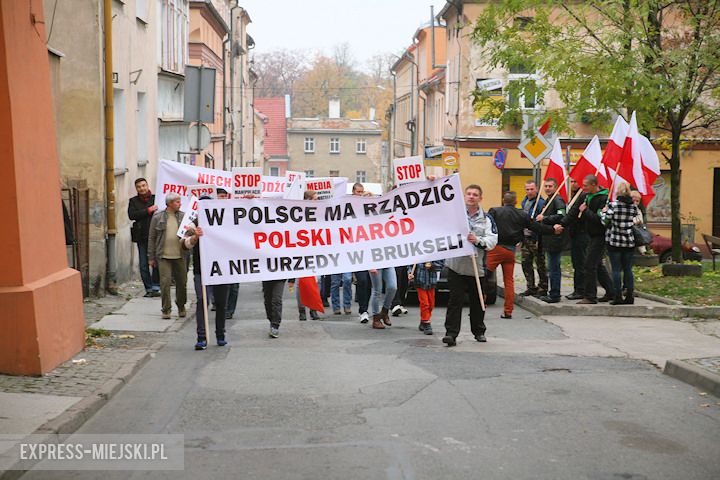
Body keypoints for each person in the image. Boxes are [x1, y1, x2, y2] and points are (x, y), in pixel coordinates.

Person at [442, 184, 498, 347]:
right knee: (455, 301)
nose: (471, 196)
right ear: (464, 196)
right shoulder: (455, 216)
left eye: (475, 194)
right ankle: (451, 334)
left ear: (480, 198)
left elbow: (492, 241)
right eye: (468, 194)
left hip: (477, 269)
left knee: (477, 301)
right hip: (456, 266)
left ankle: (479, 331)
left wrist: (477, 241)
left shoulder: (487, 219)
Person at [488, 191, 556, 318]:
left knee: (484, 277)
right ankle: (508, 311)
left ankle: (481, 305)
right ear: (516, 201)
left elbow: (487, 225)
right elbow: (536, 227)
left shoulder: (494, 211)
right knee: (509, 281)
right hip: (510, 251)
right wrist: (553, 230)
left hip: (495, 249)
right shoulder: (522, 214)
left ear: (503, 200)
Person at [555, 174, 613, 304]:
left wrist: (586, 211)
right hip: (591, 234)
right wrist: (562, 224)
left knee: (589, 265)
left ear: (594, 185)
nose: (583, 188)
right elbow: (574, 212)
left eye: (586, 186)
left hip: (600, 235)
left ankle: (590, 296)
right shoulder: (585, 196)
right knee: (597, 265)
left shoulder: (603, 198)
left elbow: (600, 219)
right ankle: (611, 291)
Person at [182, 215, 229, 349]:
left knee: (221, 303)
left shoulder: (226, 221)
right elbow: (184, 244)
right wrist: (195, 237)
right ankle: (201, 337)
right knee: (202, 301)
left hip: (222, 270)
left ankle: (221, 335)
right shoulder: (193, 225)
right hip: (201, 271)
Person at [148, 192, 188, 319]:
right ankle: (166, 309)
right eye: (177, 201)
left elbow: (194, 226)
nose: (180, 204)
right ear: (170, 203)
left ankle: (181, 305)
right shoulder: (158, 217)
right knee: (164, 283)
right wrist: (151, 256)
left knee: (182, 282)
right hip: (163, 255)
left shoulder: (183, 216)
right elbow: (152, 237)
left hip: (180, 255)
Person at [603, 182, 638, 305]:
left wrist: (603, 212)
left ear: (618, 192)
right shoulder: (633, 207)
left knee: (616, 269)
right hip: (629, 241)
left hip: (615, 241)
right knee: (628, 269)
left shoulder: (613, 205)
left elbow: (604, 221)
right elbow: (636, 219)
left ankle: (617, 296)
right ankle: (630, 295)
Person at [536, 178, 569, 304]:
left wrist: (545, 218)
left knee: (554, 268)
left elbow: (561, 215)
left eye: (550, 186)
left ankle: (555, 294)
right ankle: (553, 292)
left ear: (555, 187)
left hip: (555, 240)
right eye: (546, 186)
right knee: (551, 267)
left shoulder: (557, 200)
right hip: (549, 239)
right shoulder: (549, 200)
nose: (547, 188)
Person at [128, 178, 160, 297]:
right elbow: (132, 215)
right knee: (143, 264)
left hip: (156, 236)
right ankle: (148, 288)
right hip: (141, 236)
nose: (142, 188)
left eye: (143, 186)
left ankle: (156, 286)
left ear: (147, 186)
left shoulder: (155, 199)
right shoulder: (133, 201)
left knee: (156, 262)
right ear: (136, 189)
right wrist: (148, 210)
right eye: (139, 187)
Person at [520, 180, 548, 297]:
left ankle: (543, 287)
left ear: (536, 189)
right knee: (525, 263)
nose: (530, 191)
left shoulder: (541, 203)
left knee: (540, 263)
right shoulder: (524, 201)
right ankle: (531, 286)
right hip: (525, 237)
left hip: (536, 237)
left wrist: (538, 239)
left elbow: (540, 224)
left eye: (532, 189)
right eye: (527, 189)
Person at [351, 182, 372, 323]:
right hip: (358, 253)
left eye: (361, 192)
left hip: (372, 253)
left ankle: (366, 309)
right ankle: (363, 310)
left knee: (369, 283)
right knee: (363, 281)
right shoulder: (351, 211)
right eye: (358, 192)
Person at [407, 260, 444, 335]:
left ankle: (423, 320)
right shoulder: (417, 255)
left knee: (431, 304)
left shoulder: (435, 255)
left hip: (431, 282)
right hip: (420, 282)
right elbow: (410, 265)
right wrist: (410, 273)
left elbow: (441, 265)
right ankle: (426, 322)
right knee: (425, 303)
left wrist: (432, 266)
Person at [566, 178, 588, 300]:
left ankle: (580, 290)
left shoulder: (582, 196)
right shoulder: (574, 195)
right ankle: (579, 289)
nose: (573, 184)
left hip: (582, 234)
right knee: (577, 263)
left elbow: (573, 214)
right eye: (572, 181)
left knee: (580, 263)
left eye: (576, 181)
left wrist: (562, 224)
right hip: (575, 234)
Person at [630, 190, 647, 255]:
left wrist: (640, 222)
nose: (635, 203)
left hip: (637, 233)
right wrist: (635, 222)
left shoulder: (638, 210)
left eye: (637, 201)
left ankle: (642, 250)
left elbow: (641, 220)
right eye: (634, 200)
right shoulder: (628, 209)